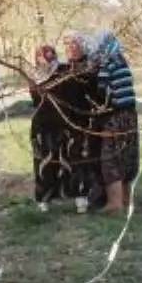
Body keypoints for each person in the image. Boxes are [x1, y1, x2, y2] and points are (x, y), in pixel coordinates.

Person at [28, 44, 101, 213]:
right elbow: (37, 103)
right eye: (42, 55)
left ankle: (80, 199)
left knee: (75, 161)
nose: (46, 57)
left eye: (49, 53)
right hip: (44, 126)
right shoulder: (35, 77)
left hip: (70, 124)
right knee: (45, 163)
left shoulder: (66, 71)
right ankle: (44, 200)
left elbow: (84, 91)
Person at [92, 31, 140, 214]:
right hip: (130, 114)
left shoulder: (107, 63)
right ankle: (126, 198)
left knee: (110, 159)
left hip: (116, 117)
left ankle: (114, 202)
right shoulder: (121, 60)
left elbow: (102, 93)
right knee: (127, 156)